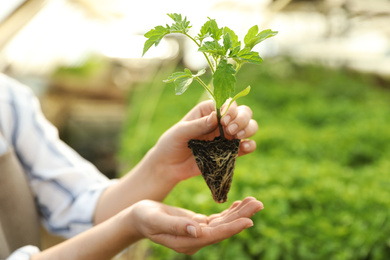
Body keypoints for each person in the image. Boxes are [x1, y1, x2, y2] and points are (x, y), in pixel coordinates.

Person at [0, 72, 261, 260]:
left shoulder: (7, 99)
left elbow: (77, 202)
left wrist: (163, 167)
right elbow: (110, 222)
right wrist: (126, 227)